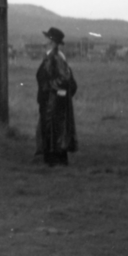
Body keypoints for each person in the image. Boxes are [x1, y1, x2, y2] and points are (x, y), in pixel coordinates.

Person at [36, 26, 78, 166]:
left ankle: (53, 160)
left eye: (47, 38)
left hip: (52, 100)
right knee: (54, 128)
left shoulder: (56, 56)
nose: (45, 40)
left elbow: (64, 78)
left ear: (52, 41)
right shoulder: (52, 55)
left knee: (53, 128)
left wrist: (49, 86)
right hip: (51, 99)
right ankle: (54, 159)